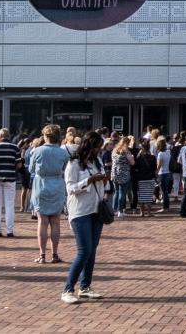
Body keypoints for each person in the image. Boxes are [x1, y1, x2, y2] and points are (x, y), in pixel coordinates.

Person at [60, 131, 109, 304]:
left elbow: (104, 186)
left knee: (92, 250)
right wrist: (88, 180)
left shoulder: (98, 161)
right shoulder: (74, 163)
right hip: (80, 211)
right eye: (97, 147)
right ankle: (68, 289)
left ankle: (85, 286)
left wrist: (104, 179)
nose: (99, 151)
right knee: (84, 250)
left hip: (96, 209)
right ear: (89, 145)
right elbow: (71, 188)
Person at [27, 125, 70, 263]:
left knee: (42, 221)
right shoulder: (63, 153)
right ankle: (55, 254)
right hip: (57, 183)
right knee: (56, 222)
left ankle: (42, 254)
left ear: (45, 136)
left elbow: (31, 168)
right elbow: (66, 169)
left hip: (41, 184)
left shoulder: (37, 151)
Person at [0, 129, 22, 237]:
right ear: (8, 136)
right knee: (9, 204)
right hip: (10, 178)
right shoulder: (15, 148)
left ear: (0, 135)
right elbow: (19, 165)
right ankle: (9, 230)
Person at [132, 141, 158, 217]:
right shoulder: (153, 158)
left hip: (141, 177)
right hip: (150, 177)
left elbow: (136, 167)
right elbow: (155, 169)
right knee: (149, 195)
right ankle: (149, 212)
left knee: (141, 195)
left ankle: (141, 212)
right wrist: (156, 178)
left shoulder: (140, 158)